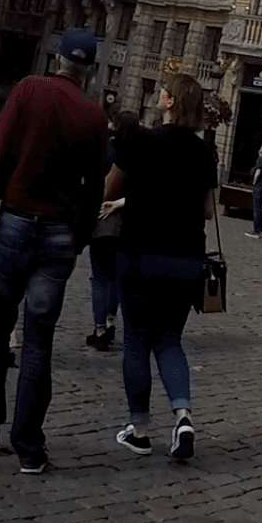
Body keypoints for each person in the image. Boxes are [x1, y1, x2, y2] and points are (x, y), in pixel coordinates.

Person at [0, 28, 109, 471]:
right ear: (89, 70)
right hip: (59, 233)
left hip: (15, 222)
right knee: (39, 340)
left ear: (56, 58)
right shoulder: (94, 115)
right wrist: (80, 238)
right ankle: (30, 446)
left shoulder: (28, 90)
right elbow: (94, 189)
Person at [107, 73, 219, 461]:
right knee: (170, 339)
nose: (158, 96)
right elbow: (206, 211)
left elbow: (110, 187)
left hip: (141, 251)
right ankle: (183, 416)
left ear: (170, 103)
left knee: (137, 340)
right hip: (186, 257)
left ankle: (139, 430)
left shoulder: (141, 141)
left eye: (162, 93)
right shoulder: (205, 152)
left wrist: (124, 200)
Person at [86, 109, 141, 352]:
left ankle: (99, 329)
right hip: (130, 223)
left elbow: (99, 182)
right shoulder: (142, 152)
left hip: (104, 218)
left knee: (100, 277)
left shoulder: (108, 148)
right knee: (118, 278)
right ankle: (110, 321)